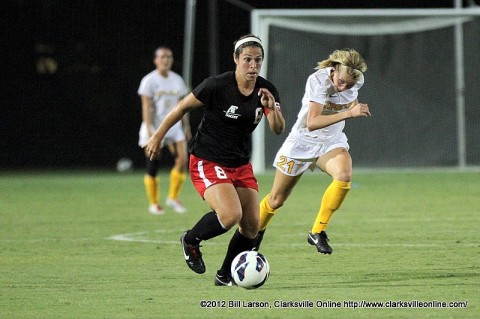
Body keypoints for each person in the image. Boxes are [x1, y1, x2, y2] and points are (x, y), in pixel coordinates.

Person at [145, 34, 285, 286]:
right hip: (208, 159)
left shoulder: (266, 89)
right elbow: (181, 108)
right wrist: (157, 135)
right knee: (230, 214)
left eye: (257, 60)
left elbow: (277, 128)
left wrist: (271, 107)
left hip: (240, 164)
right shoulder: (217, 86)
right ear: (235, 59)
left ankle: (225, 275)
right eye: (247, 60)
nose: (253, 66)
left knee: (252, 228)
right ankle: (190, 240)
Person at [254, 48, 369, 255]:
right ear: (334, 69)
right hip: (302, 142)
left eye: (348, 84)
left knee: (344, 175)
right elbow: (312, 123)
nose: (343, 87)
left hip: (330, 142)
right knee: (276, 200)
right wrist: (350, 113)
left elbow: (349, 99)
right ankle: (253, 234)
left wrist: (354, 106)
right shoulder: (317, 81)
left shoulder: (356, 80)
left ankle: (317, 231)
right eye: (341, 81)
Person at [138, 46, 190, 215]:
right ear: (155, 60)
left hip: (174, 126)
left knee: (182, 160)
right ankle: (154, 203)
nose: (166, 60)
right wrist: (149, 130)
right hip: (154, 126)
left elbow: (183, 106)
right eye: (162, 57)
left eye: (169, 56)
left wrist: (186, 126)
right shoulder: (149, 80)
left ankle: (173, 198)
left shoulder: (177, 80)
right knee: (153, 163)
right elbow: (146, 107)